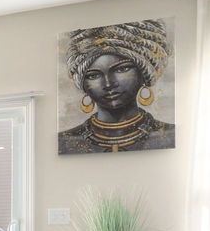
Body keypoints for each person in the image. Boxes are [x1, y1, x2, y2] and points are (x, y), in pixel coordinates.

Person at [57, 19, 175, 154]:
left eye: (121, 69)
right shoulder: (65, 141)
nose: (108, 84)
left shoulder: (168, 135)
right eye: (93, 76)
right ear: (82, 83)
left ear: (144, 72)